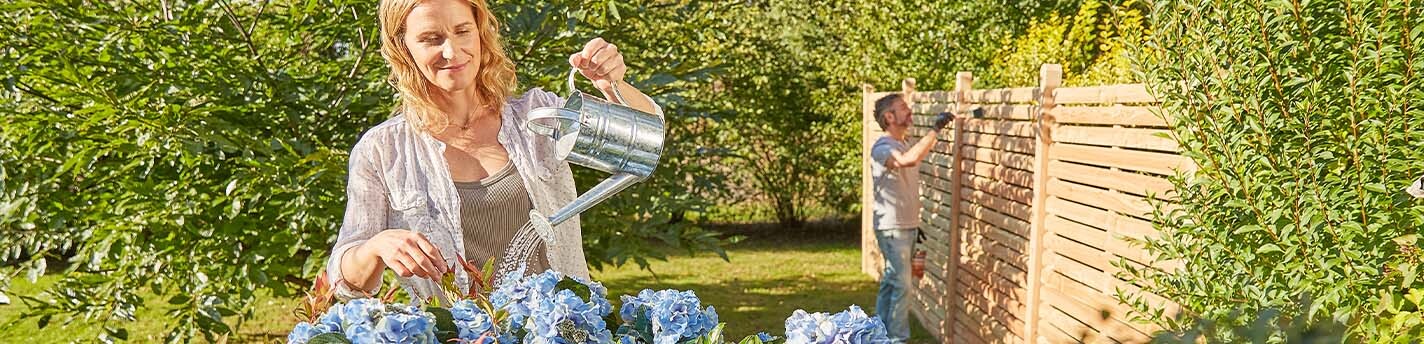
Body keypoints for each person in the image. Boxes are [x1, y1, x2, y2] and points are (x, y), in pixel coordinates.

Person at [325, 0, 661, 303]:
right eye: (431, 39)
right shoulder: (383, 150)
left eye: (462, 31)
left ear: (480, 33)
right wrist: (376, 246)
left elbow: (644, 147)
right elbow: (345, 283)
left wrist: (612, 85)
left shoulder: (539, 118)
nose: (452, 52)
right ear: (403, 47)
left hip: (562, 331)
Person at [869, 94, 950, 343]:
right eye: (903, 108)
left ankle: (874, 332)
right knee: (902, 285)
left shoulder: (903, 143)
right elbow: (909, 160)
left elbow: (912, 154)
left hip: (906, 226)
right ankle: (896, 339)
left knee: (892, 282)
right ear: (889, 117)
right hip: (892, 228)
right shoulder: (883, 148)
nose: (909, 111)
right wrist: (936, 129)